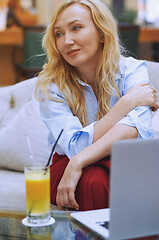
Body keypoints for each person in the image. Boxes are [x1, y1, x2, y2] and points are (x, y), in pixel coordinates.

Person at [35, 0, 159, 211]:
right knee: (94, 182)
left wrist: (79, 162)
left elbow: (137, 129)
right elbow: (74, 146)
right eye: (59, 34)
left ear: (101, 32)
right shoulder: (50, 86)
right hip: (67, 162)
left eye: (76, 28)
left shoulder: (133, 70)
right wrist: (126, 103)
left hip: (122, 159)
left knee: (101, 181)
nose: (67, 41)